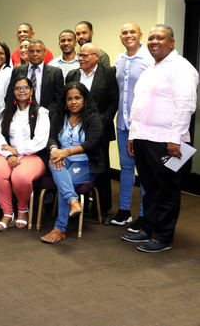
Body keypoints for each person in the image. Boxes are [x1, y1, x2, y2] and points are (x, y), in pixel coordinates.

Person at [122, 24, 199, 252]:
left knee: (166, 189)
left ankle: (163, 237)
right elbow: (138, 106)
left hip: (168, 141)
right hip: (144, 138)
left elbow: (186, 106)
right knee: (150, 187)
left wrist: (175, 139)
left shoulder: (182, 68)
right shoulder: (151, 69)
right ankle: (149, 227)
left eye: (160, 38)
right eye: (152, 38)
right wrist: (133, 135)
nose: (154, 41)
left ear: (172, 42)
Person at [41, 82, 104, 244]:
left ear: (85, 99)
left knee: (64, 182)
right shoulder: (59, 115)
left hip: (86, 163)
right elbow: (51, 137)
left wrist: (66, 152)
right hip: (62, 160)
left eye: (77, 98)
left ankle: (59, 228)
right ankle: (73, 201)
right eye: (69, 99)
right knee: (54, 162)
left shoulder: (93, 118)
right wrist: (56, 150)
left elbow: (92, 143)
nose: (73, 102)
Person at [66, 43, 119, 221]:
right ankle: (76, 203)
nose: (81, 58)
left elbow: (113, 101)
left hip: (100, 128)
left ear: (96, 57)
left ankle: (101, 209)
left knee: (101, 168)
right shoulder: (72, 74)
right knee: (77, 162)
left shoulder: (109, 73)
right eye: (80, 56)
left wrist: (102, 121)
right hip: (76, 127)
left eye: (85, 56)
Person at [0, 77, 49, 232]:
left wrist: (19, 151)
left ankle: (23, 210)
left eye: (25, 88)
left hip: (33, 154)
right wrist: (10, 155)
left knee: (20, 176)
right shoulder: (5, 111)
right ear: (13, 91)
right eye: (18, 88)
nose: (21, 91)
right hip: (7, 153)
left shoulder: (41, 112)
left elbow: (40, 140)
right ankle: (8, 213)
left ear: (31, 90)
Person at [111, 23, 152, 230]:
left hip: (143, 125)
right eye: (125, 32)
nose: (128, 35)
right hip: (123, 123)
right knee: (126, 168)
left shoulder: (149, 59)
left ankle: (144, 214)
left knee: (144, 171)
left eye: (132, 32)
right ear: (121, 36)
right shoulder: (119, 59)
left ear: (140, 35)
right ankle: (124, 210)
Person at [6, 39, 64, 110]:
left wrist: (48, 114)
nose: (35, 54)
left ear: (44, 52)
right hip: (21, 114)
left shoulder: (55, 72)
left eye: (38, 51)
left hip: (47, 116)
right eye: (31, 51)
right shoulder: (17, 71)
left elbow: (59, 100)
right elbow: (10, 95)